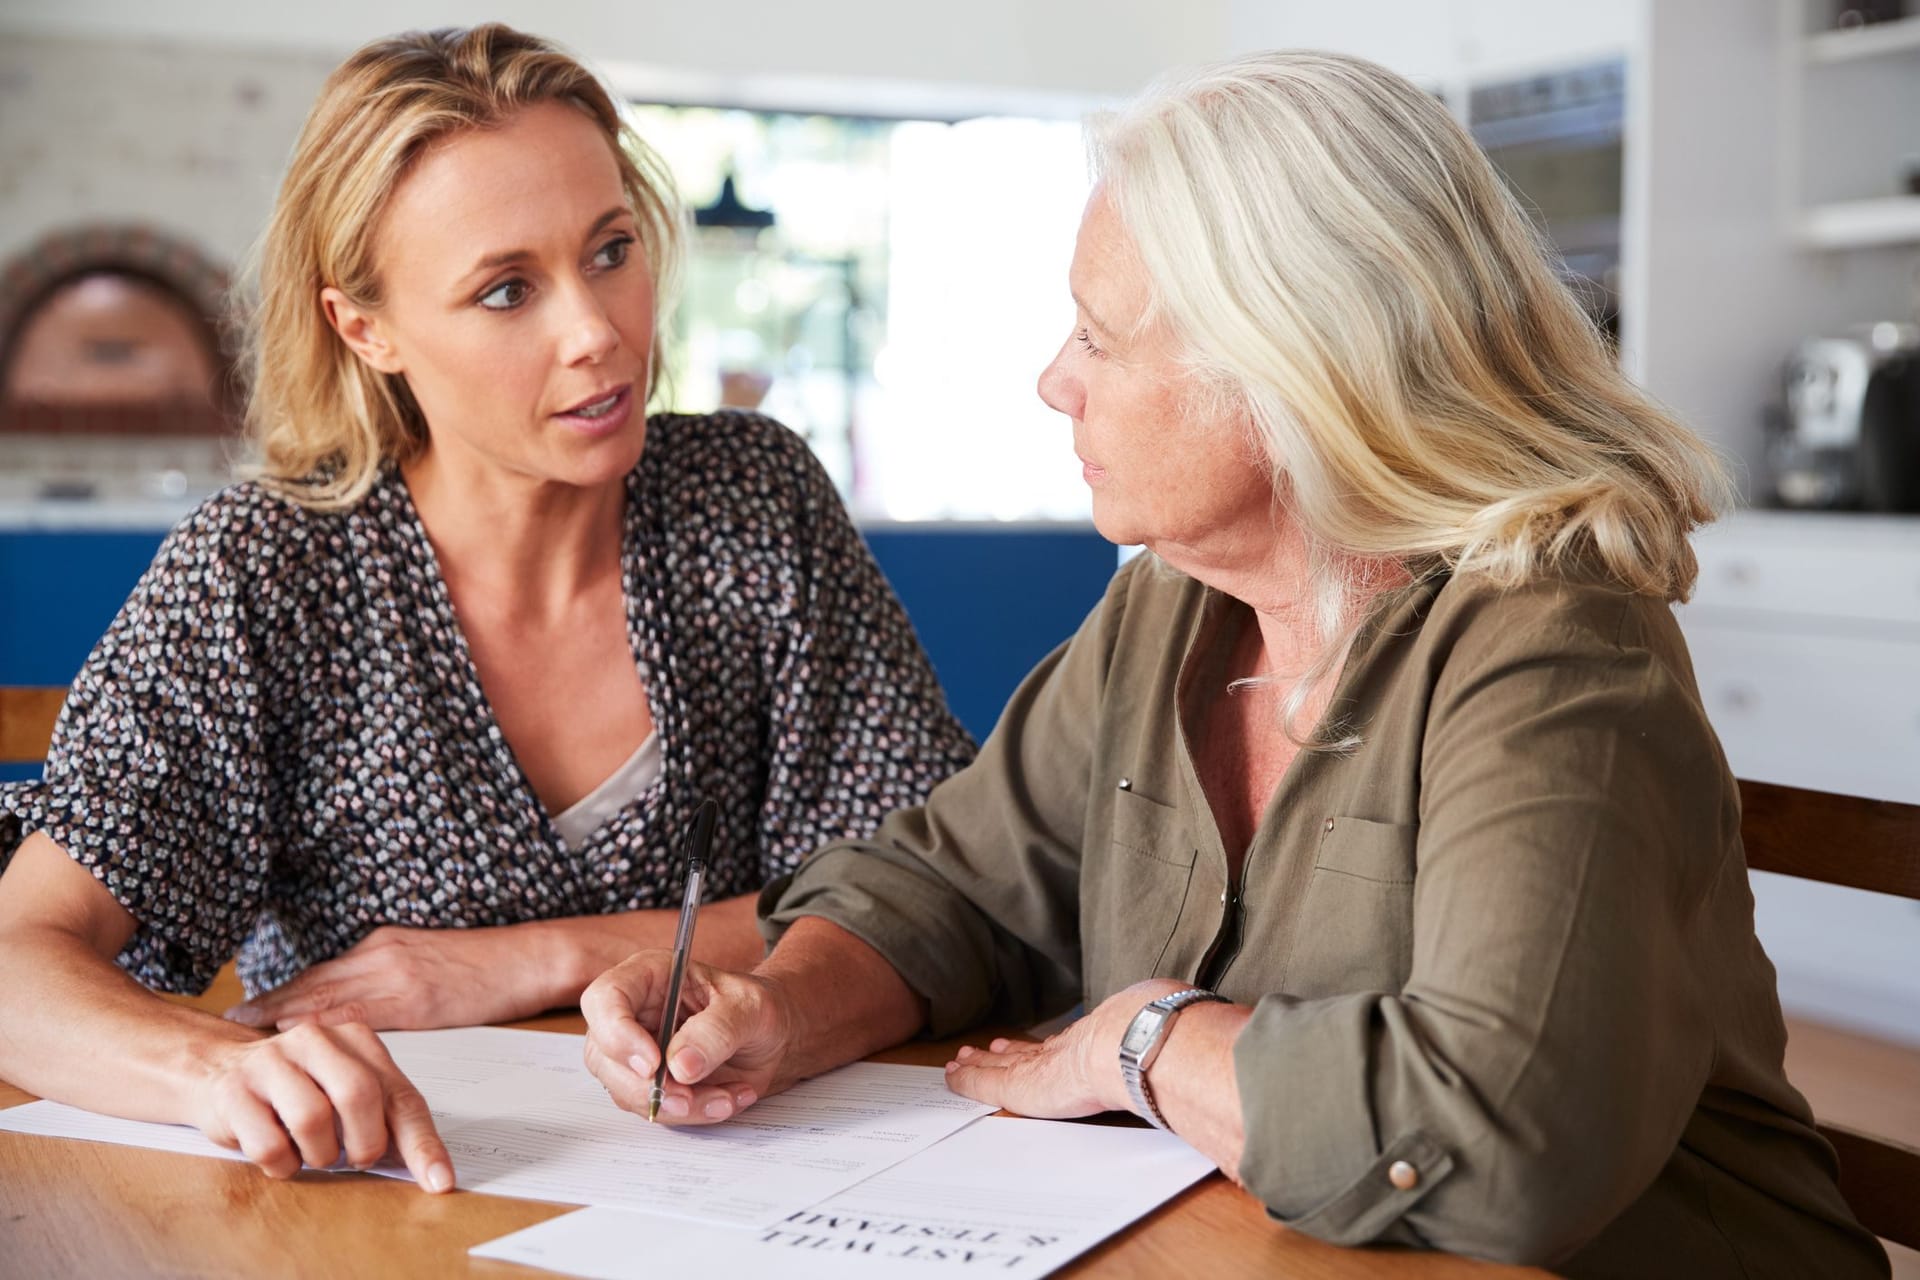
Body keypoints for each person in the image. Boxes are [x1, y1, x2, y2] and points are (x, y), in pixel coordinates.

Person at [578, 51, 1891, 1278]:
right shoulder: (1172, 610)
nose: (1054, 381)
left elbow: (1501, 1145)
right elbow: (958, 889)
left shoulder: (1552, 647)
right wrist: (778, 1008)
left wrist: (1141, 1041)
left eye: (1097, 333)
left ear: (1292, 366)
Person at [0, 25, 972, 1195]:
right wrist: (213, 1073)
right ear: (368, 328)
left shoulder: (750, 502)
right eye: (508, 289)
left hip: (767, 1190)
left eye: (611, 250)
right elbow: (18, 958)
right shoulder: (264, 573)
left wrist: (525, 960)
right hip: (383, 1213)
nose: (596, 330)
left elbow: (938, 895)